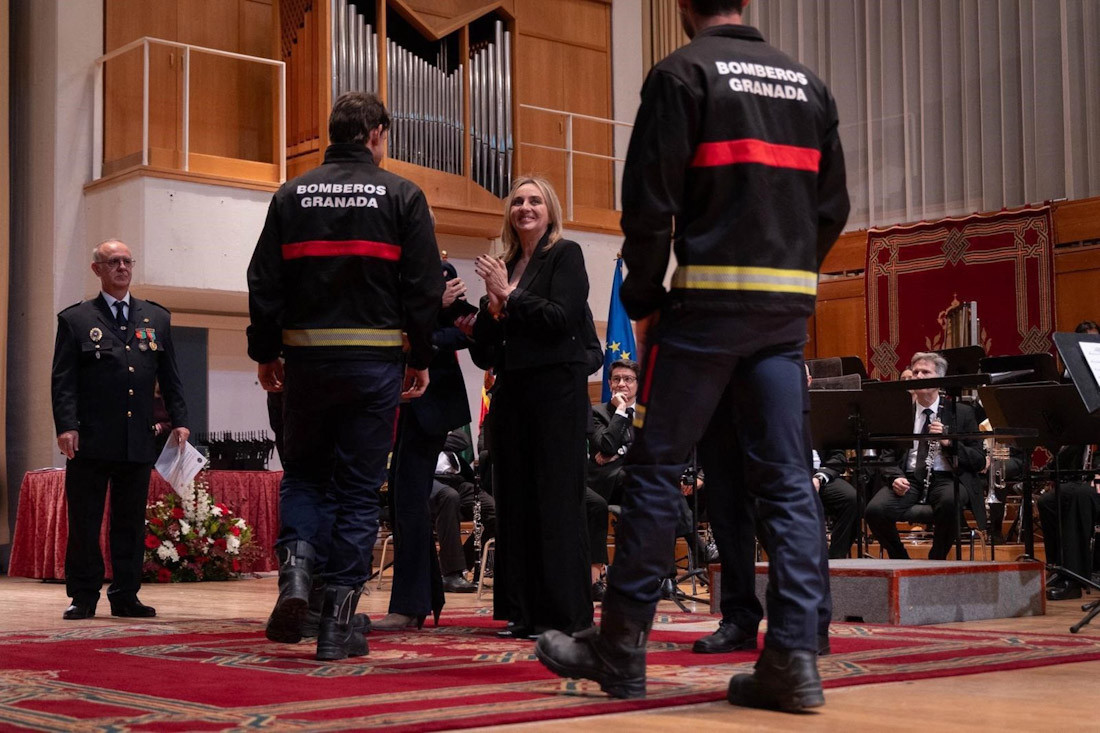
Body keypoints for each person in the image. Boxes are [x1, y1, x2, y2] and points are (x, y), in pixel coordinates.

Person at [535, 0, 849, 712]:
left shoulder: (681, 74)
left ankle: (620, 646)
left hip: (705, 310)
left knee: (655, 471)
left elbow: (649, 206)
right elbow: (833, 207)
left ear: (682, 6)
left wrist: (644, 298)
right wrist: (792, 274)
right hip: (782, 314)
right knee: (788, 481)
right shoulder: (808, 84)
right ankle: (795, 658)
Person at [247, 91, 442, 660]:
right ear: (377, 133)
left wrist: (266, 350)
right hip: (375, 365)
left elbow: (264, 282)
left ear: (334, 132)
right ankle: (336, 628)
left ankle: (297, 580)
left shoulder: (291, 193)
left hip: (306, 365)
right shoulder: (402, 194)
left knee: (305, 478)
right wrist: (421, 356)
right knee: (358, 493)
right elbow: (424, 286)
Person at [469, 175, 595, 639]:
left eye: (535, 200)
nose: (525, 207)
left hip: (555, 395)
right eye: (518, 200)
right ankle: (522, 612)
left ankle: (565, 616)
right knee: (516, 503)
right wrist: (490, 311)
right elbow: (485, 353)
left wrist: (511, 295)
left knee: (556, 502)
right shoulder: (504, 263)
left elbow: (562, 319)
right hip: (513, 395)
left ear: (550, 210)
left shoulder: (566, 254)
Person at [51, 239, 190, 620]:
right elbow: (63, 380)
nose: (123, 268)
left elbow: (170, 375)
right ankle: (83, 595)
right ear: (97, 269)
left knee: (129, 523)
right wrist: (66, 426)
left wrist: (180, 420)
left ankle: (126, 594)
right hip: (92, 439)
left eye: (127, 261)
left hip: (136, 440)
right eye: (114, 262)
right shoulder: (77, 319)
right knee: (85, 522)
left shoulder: (155, 318)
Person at [374, 261, 478, 631]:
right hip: (386, 397)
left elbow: (469, 330)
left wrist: (423, 337)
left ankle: (410, 604)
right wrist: (431, 306)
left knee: (410, 501)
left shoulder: (440, 271)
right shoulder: (381, 268)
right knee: (403, 501)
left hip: (428, 403)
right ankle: (425, 597)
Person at [864, 352, 986, 560]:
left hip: (947, 478)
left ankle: (936, 559)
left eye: (925, 372)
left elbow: (978, 459)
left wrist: (950, 442)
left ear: (939, 379)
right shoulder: (900, 412)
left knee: (950, 501)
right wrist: (895, 477)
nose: (918, 376)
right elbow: (887, 456)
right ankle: (900, 559)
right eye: (915, 372)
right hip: (910, 478)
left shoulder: (962, 412)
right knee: (874, 510)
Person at [587, 358, 640, 600]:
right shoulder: (598, 412)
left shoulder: (645, 413)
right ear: (609, 384)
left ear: (637, 384)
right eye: (617, 379)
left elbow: (650, 451)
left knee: (652, 486)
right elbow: (606, 444)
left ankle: (657, 577)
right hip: (604, 485)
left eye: (628, 379)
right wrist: (619, 411)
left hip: (633, 484)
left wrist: (619, 453)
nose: (622, 384)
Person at [428, 434, 496, 593]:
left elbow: (462, 440)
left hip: (456, 480)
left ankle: (462, 562)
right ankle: (451, 574)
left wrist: (431, 439)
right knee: (449, 497)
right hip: (427, 480)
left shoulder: (445, 421)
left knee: (493, 511)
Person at [1039, 444, 1100, 600]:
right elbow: (1058, 464)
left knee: (1080, 496)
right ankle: (1059, 568)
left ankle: (1074, 580)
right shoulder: (1082, 436)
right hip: (1085, 487)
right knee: (1048, 502)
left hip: (1093, 489)